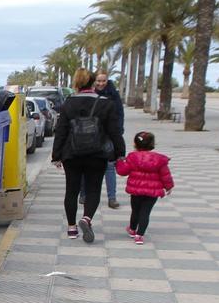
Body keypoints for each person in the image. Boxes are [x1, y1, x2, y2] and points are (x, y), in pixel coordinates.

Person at [52, 67, 126, 242]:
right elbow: (114, 131)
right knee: (93, 189)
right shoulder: (106, 103)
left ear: (76, 83)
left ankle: (71, 228)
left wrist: (56, 155)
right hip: (97, 154)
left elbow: (61, 131)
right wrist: (120, 152)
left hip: (72, 154)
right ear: (93, 83)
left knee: (72, 190)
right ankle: (86, 219)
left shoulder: (68, 103)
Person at [116, 131, 174, 245]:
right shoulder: (159, 159)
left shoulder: (132, 157)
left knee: (135, 210)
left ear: (135, 144)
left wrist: (119, 162)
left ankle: (132, 229)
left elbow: (123, 171)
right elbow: (165, 175)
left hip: (136, 191)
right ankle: (140, 235)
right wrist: (169, 186)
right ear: (152, 144)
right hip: (152, 192)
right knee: (145, 212)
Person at [80, 71, 126, 208]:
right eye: (98, 81)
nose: (101, 84)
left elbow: (119, 114)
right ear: (94, 81)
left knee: (110, 166)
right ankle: (83, 194)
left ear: (107, 80)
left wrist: (118, 133)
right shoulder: (89, 93)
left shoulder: (113, 95)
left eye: (103, 81)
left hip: (108, 135)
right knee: (86, 165)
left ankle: (112, 198)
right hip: (90, 135)